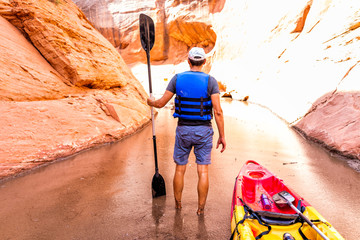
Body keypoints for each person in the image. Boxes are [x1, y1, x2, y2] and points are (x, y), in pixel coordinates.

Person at [147, 47, 226, 215]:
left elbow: (161, 103)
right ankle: (200, 209)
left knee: (180, 169)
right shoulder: (211, 81)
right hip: (204, 132)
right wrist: (222, 136)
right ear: (204, 62)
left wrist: (151, 102)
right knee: (202, 170)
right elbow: (218, 111)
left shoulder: (177, 79)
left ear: (188, 61)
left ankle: (178, 205)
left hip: (183, 129)